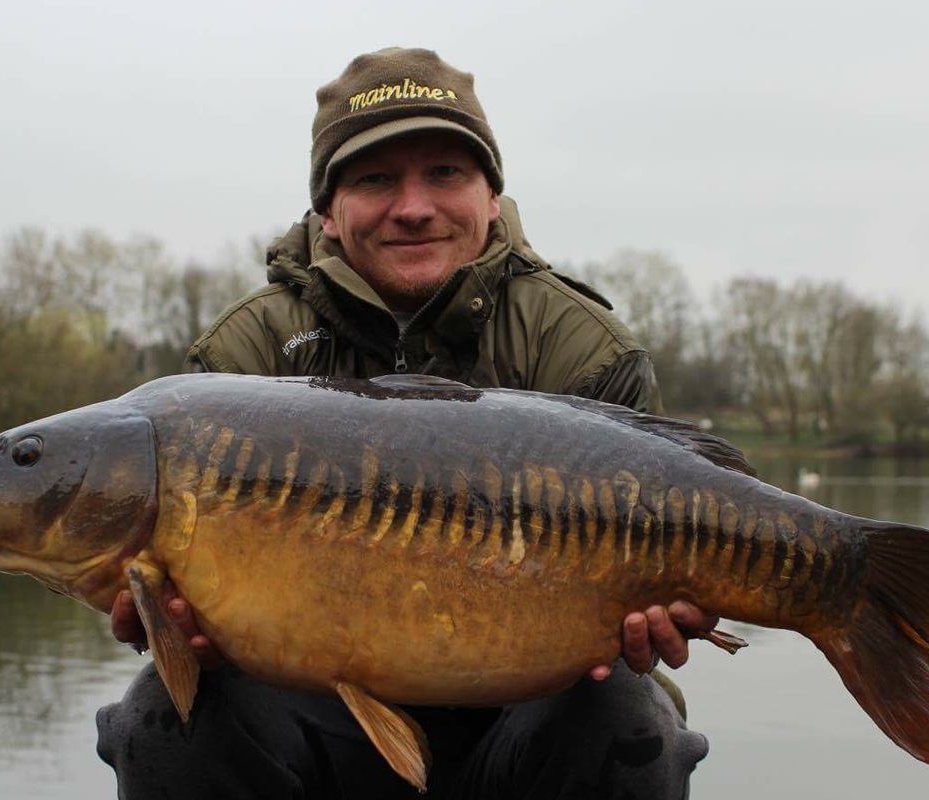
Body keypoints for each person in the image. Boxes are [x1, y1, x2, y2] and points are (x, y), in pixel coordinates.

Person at [97, 46, 716, 799]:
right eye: (376, 179)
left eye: (445, 173)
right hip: (312, 715)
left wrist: (662, 610)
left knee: (625, 717)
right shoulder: (242, 356)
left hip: (533, 703)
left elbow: (647, 589)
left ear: (492, 195)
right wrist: (172, 627)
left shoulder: (583, 350)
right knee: (164, 717)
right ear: (329, 210)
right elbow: (187, 619)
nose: (413, 205)